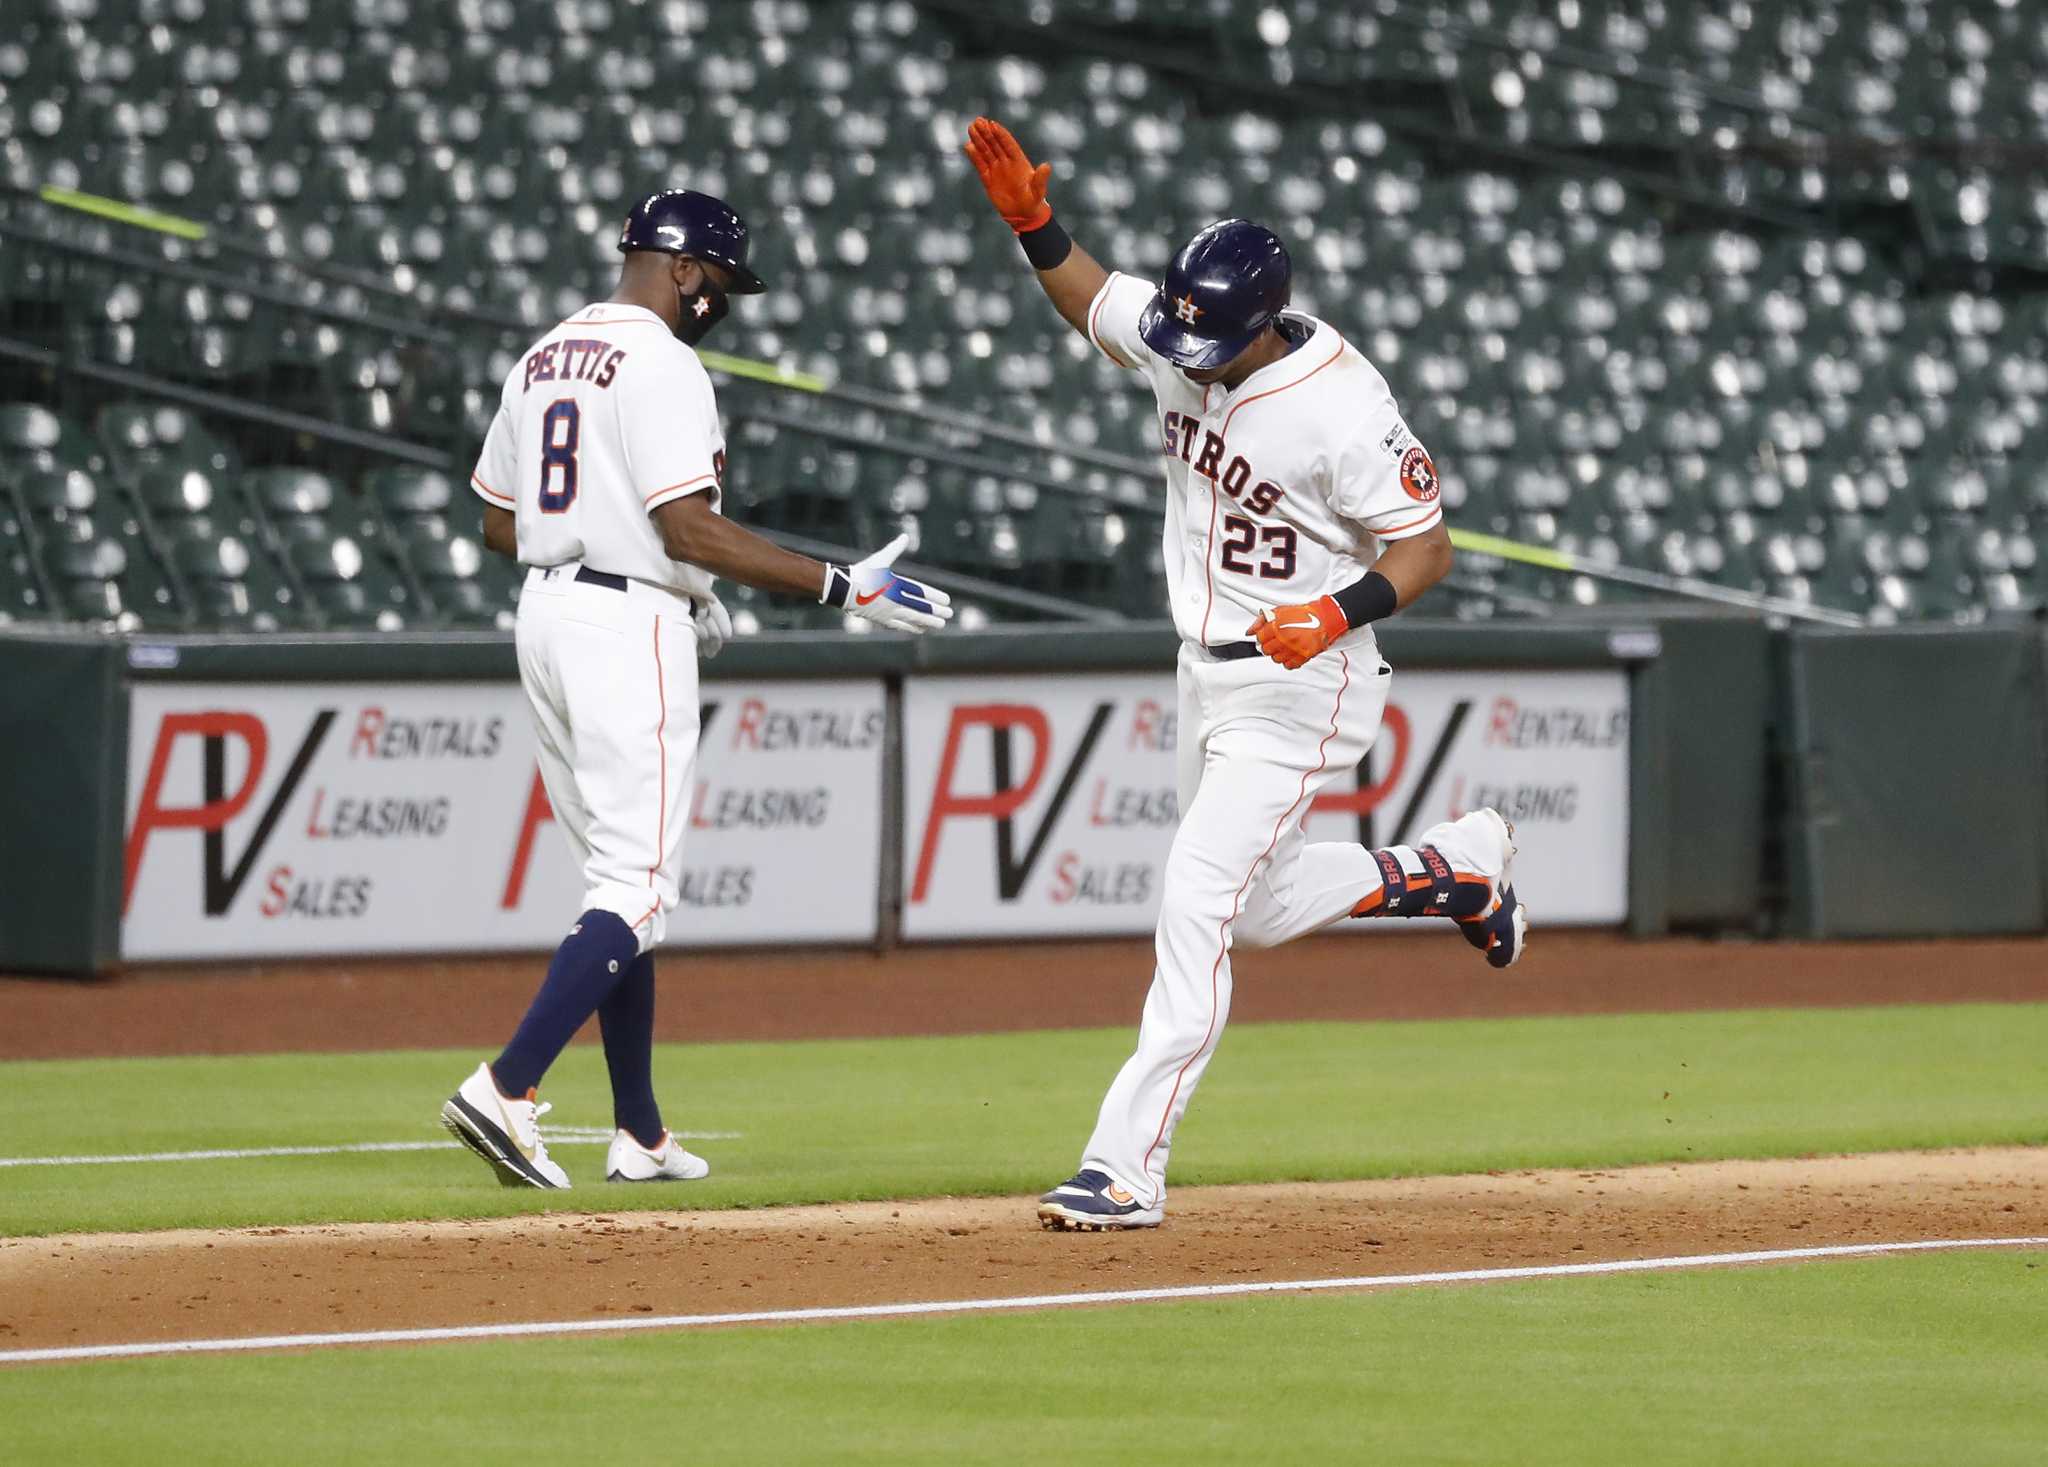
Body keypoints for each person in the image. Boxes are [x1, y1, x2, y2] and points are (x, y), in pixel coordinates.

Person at [963, 118, 1529, 1231]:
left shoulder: (1341, 407)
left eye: (1207, 339)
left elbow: (1424, 549)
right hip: (1205, 671)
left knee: (1191, 897)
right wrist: (1035, 226)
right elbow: (1092, 304)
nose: (1184, 355)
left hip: (1302, 683)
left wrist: (1330, 611)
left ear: (1261, 326)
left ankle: (1125, 1163)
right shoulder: (1189, 324)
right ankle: (1457, 871)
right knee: (1255, 909)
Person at [441, 188, 952, 1188]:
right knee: (637, 890)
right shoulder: (663, 363)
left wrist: (656, 570)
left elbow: (499, 525)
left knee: (616, 886)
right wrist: (839, 583)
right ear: (680, 268)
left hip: (546, 613)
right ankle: (505, 1089)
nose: (721, 304)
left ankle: (637, 1131)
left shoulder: (544, 354)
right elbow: (686, 527)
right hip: (621, 625)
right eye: (717, 284)